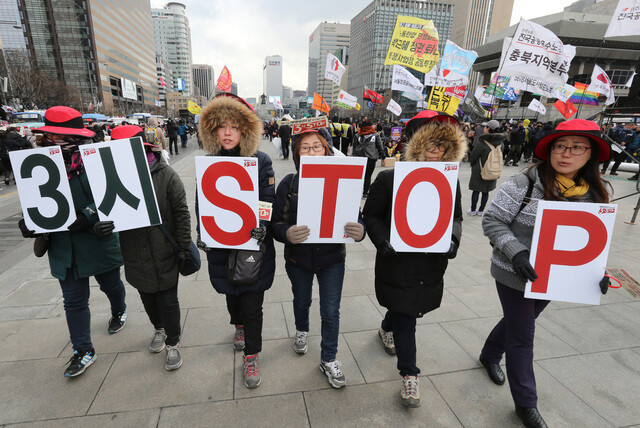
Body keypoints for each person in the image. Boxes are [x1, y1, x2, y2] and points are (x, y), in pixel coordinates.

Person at [479, 119, 612, 428]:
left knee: (518, 323)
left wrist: (596, 271)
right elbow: (493, 221)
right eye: (560, 146)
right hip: (513, 274)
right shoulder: (523, 182)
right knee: (523, 337)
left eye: (577, 147)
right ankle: (526, 403)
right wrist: (517, 251)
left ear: (591, 154)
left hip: (555, 279)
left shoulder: (595, 193)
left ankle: (488, 353)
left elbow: (591, 241)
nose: (566, 154)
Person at [363, 110, 465, 408]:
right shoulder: (389, 178)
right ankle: (410, 374)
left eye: (443, 148)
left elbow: (456, 217)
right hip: (397, 261)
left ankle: (386, 327)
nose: (436, 154)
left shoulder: (450, 181)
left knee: (405, 308)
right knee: (407, 317)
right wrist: (382, 240)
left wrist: (453, 240)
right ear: (416, 147)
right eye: (431, 147)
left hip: (431, 262)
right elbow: (370, 215)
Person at [19, 106, 127, 377]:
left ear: (77, 138)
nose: (54, 142)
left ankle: (119, 310)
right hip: (63, 246)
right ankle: (83, 350)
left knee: (111, 285)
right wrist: (29, 222)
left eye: (60, 137)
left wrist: (90, 215)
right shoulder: (38, 165)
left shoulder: (98, 160)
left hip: (96, 240)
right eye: (51, 136)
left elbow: (116, 195)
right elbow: (36, 202)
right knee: (74, 301)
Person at [271, 127, 366, 389]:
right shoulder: (289, 183)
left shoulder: (343, 179)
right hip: (298, 259)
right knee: (301, 301)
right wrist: (287, 233)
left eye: (317, 146)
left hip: (332, 259)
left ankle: (329, 358)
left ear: (327, 149)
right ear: (296, 153)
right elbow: (275, 223)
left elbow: (356, 217)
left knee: (330, 311)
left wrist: (361, 230)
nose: (311, 151)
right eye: (305, 147)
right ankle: (302, 330)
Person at [94, 125, 192, 371]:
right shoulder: (111, 179)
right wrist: (99, 226)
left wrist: (183, 246)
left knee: (168, 300)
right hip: (134, 252)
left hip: (165, 250)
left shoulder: (166, 175)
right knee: (147, 297)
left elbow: (181, 212)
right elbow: (103, 212)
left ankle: (173, 341)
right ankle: (158, 329)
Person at [197, 93, 276, 389]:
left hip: (253, 246)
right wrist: (201, 234)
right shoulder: (209, 163)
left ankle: (252, 356)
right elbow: (201, 202)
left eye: (233, 126)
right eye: (221, 126)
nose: (227, 132)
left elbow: (268, 199)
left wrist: (263, 225)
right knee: (232, 297)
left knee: (253, 304)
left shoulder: (261, 161)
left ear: (245, 130)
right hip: (221, 245)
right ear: (213, 132)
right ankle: (238, 326)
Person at [468, 119, 506, 215]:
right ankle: (481, 211)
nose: (484, 128)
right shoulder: (501, 144)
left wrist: (473, 165)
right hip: (493, 170)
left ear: (488, 128)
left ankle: (473, 210)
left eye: (486, 127)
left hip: (479, 170)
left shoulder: (483, 144)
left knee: (476, 191)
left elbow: (473, 157)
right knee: (486, 191)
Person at [354, 119, 385, 198]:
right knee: (368, 177)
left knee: (360, 176)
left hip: (359, 159)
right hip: (371, 158)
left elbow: (354, 147)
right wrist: (383, 157)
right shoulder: (375, 135)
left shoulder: (357, 135)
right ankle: (365, 193)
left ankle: (356, 192)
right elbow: (379, 146)